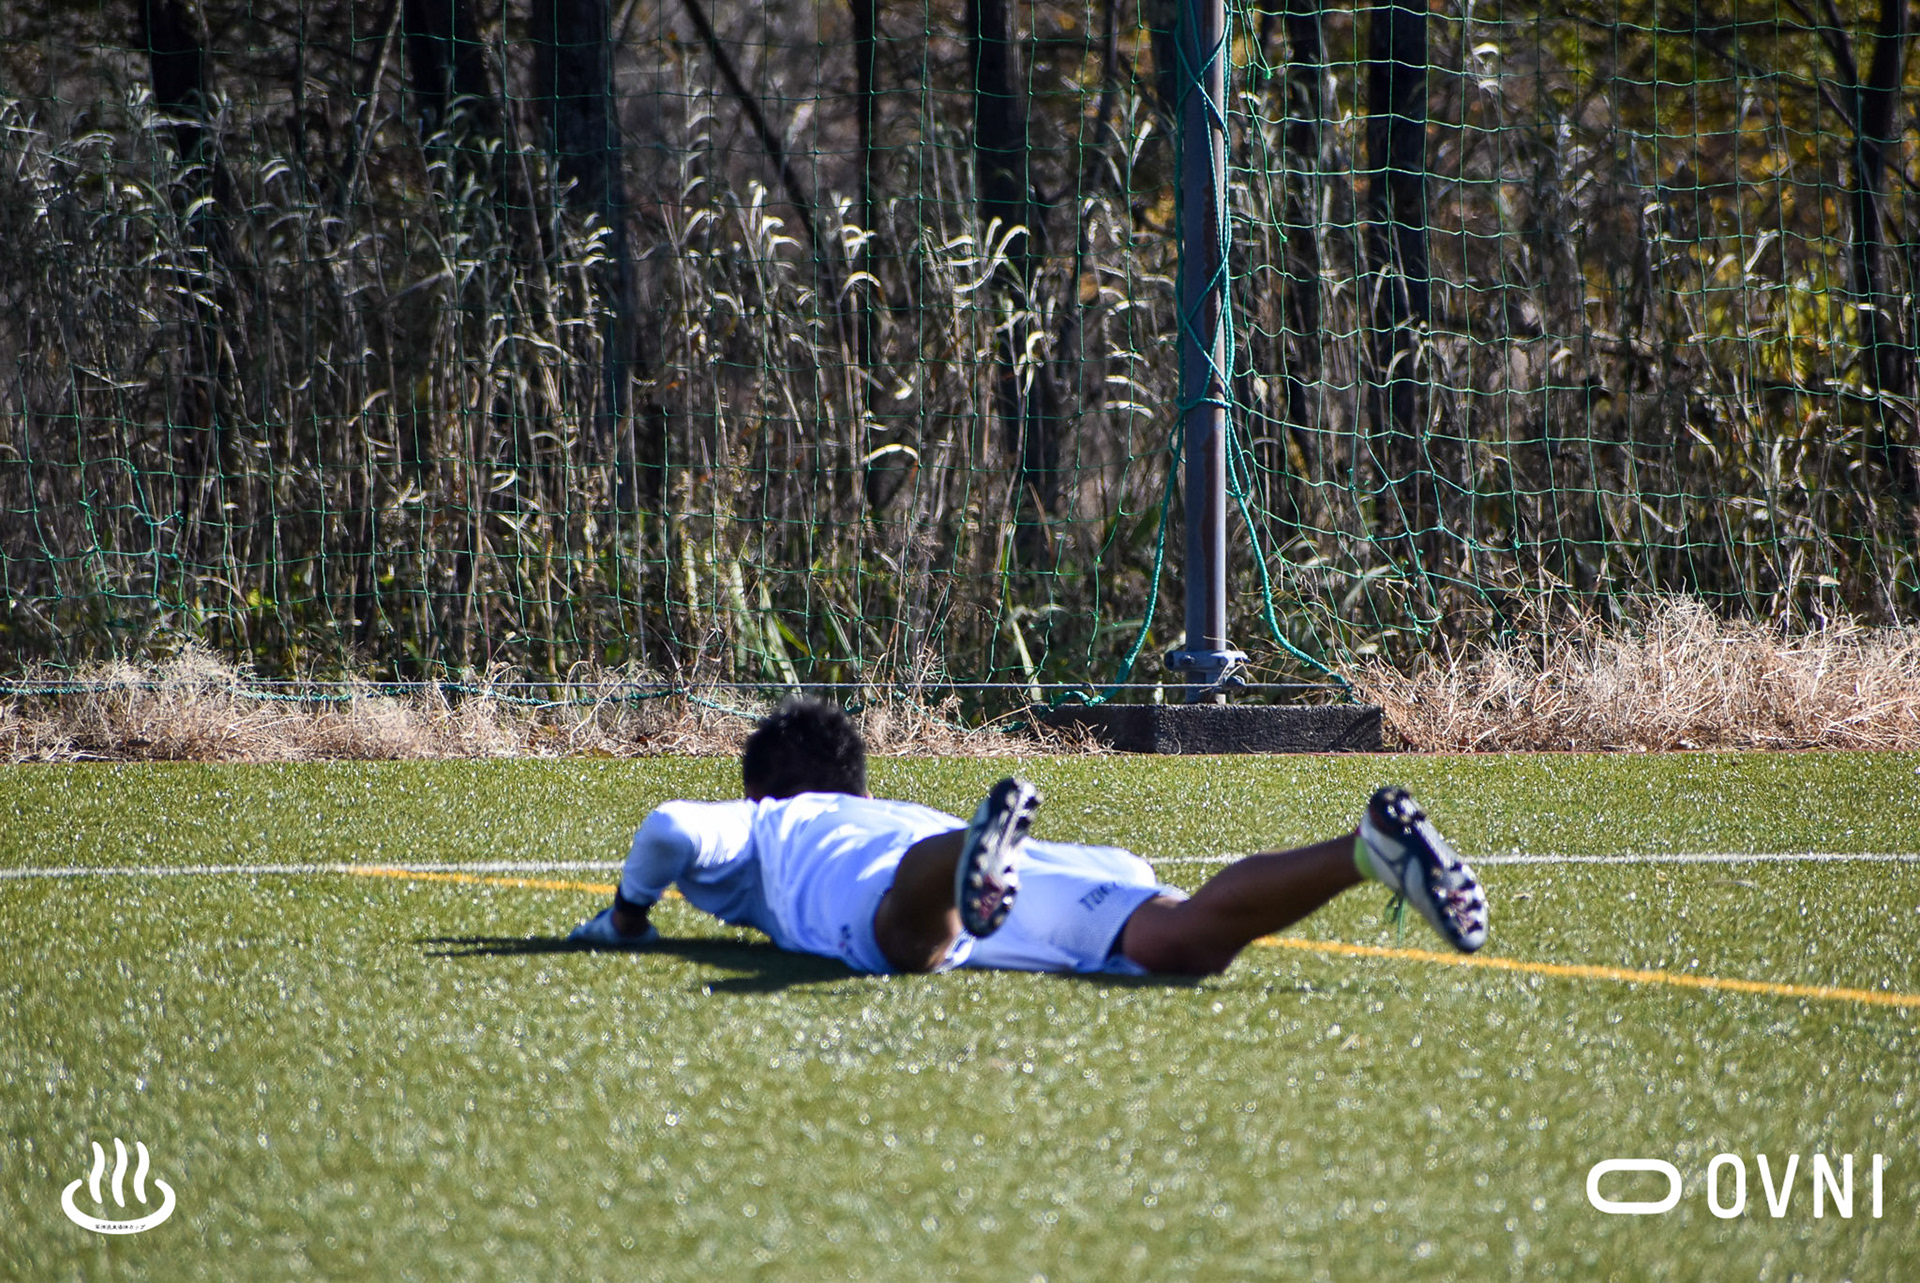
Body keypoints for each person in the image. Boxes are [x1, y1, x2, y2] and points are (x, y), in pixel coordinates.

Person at [570, 697, 1489, 976]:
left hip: (920, 874)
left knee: (901, 936)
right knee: (1182, 942)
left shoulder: (774, 816)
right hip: (1017, 865)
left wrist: (627, 917)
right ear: (860, 782)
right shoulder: (885, 805)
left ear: (762, 786)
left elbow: (669, 826)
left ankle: (966, 860)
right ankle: (1363, 848)